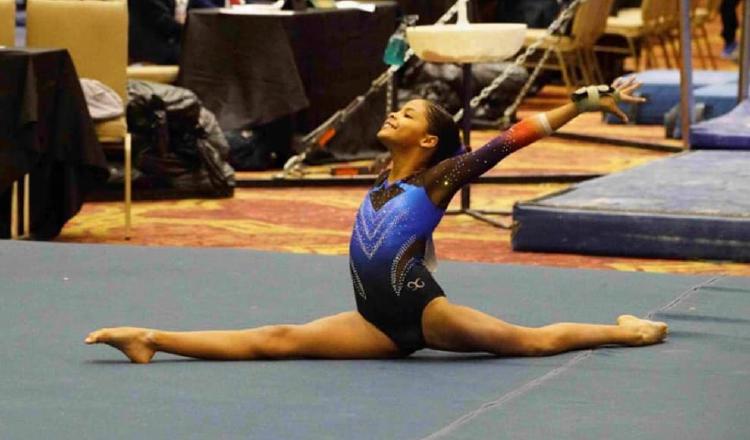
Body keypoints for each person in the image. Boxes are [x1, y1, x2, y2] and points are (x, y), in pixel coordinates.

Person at [85, 78, 668, 363]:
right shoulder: (383, 175)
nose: (394, 113)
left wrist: (585, 100)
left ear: (431, 138)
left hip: (424, 312)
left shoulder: (436, 179)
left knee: (530, 343)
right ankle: (150, 338)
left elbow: (510, 140)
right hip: (374, 320)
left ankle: (627, 330)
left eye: (407, 113)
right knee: (275, 340)